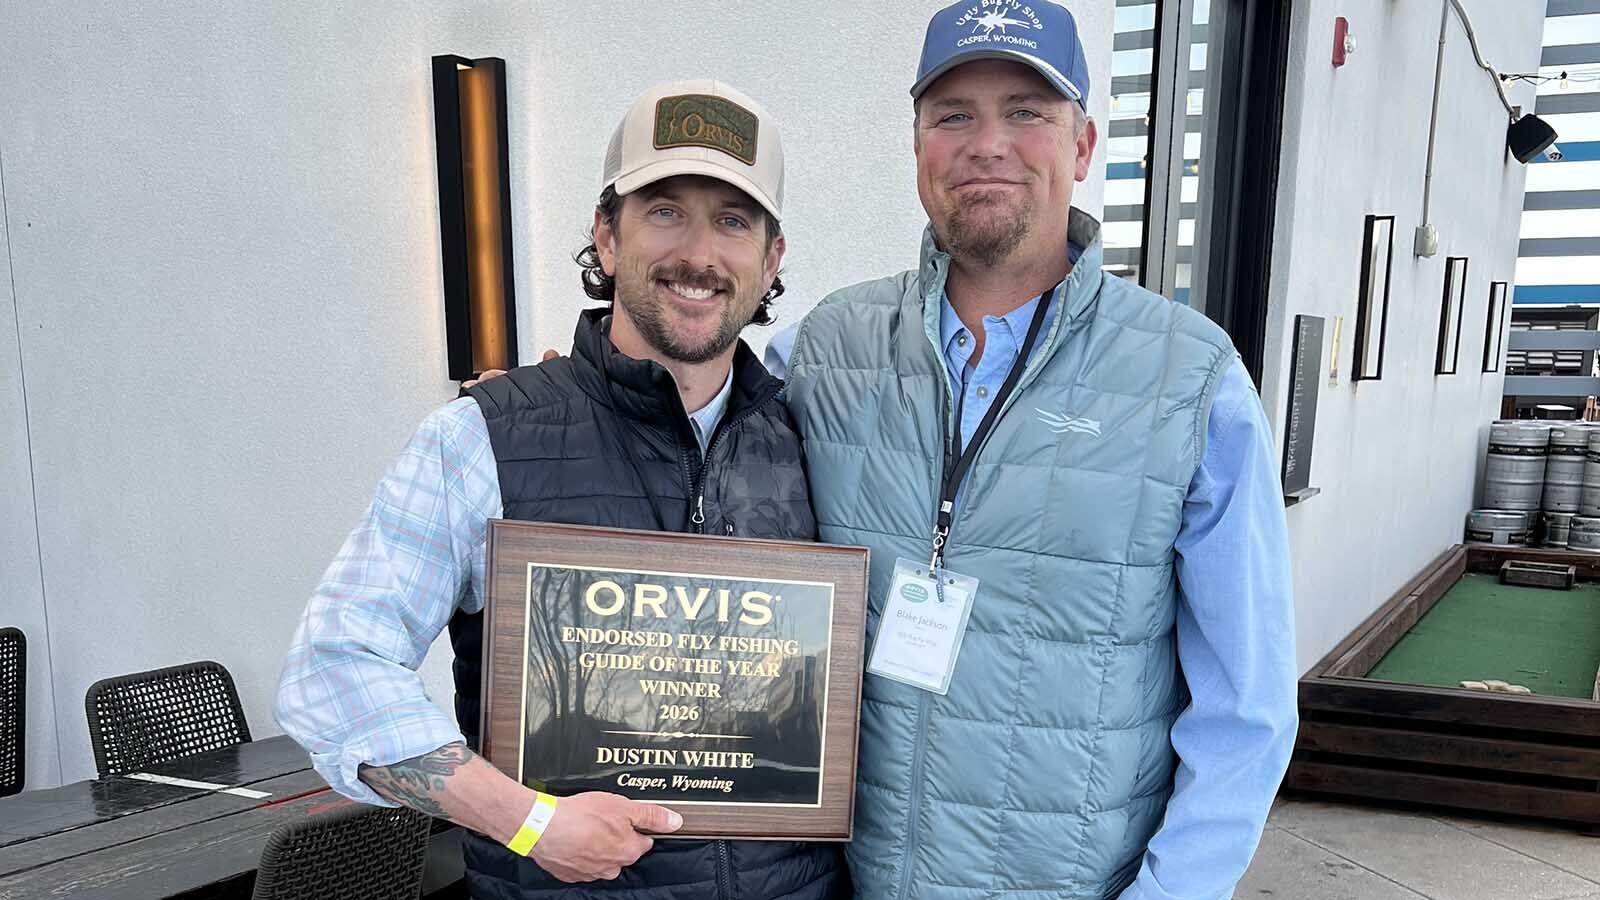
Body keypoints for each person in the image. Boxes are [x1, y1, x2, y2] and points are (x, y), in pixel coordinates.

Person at [768, 3, 1298, 898]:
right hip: (849, 877)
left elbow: (1246, 706)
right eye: (953, 115)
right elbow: (684, 426)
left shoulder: (1191, 377)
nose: (987, 144)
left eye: (1025, 111)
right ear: (918, 147)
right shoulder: (823, 347)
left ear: (1082, 146)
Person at [275, 80, 848, 900]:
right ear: (605, 237)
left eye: (732, 220)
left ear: (772, 260)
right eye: (664, 211)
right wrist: (525, 819)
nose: (699, 253)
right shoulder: (481, 438)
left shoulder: (815, 440)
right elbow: (334, 667)